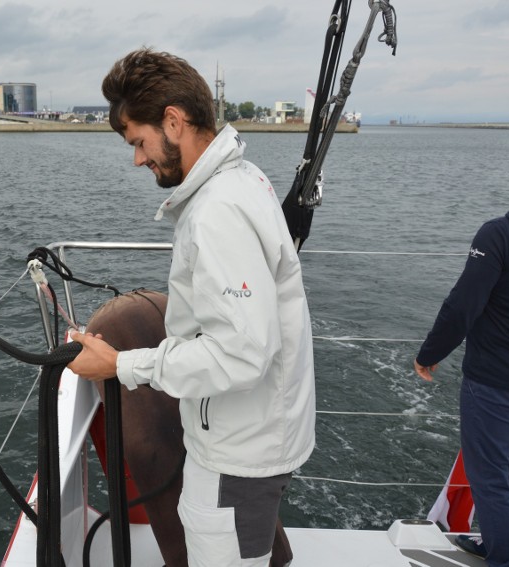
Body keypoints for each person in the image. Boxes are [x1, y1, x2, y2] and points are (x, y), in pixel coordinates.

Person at [67, 48, 316, 567]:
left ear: (174, 122)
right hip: (241, 439)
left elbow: (242, 354)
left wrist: (120, 365)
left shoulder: (217, 211)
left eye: (139, 141)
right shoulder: (242, 180)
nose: (138, 158)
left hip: (238, 455)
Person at [414, 136, 509, 567]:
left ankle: (505, 558)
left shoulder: (500, 234)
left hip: (496, 381)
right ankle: (498, 543)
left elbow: (463, 304)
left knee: (491, 476)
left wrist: (430, 352)